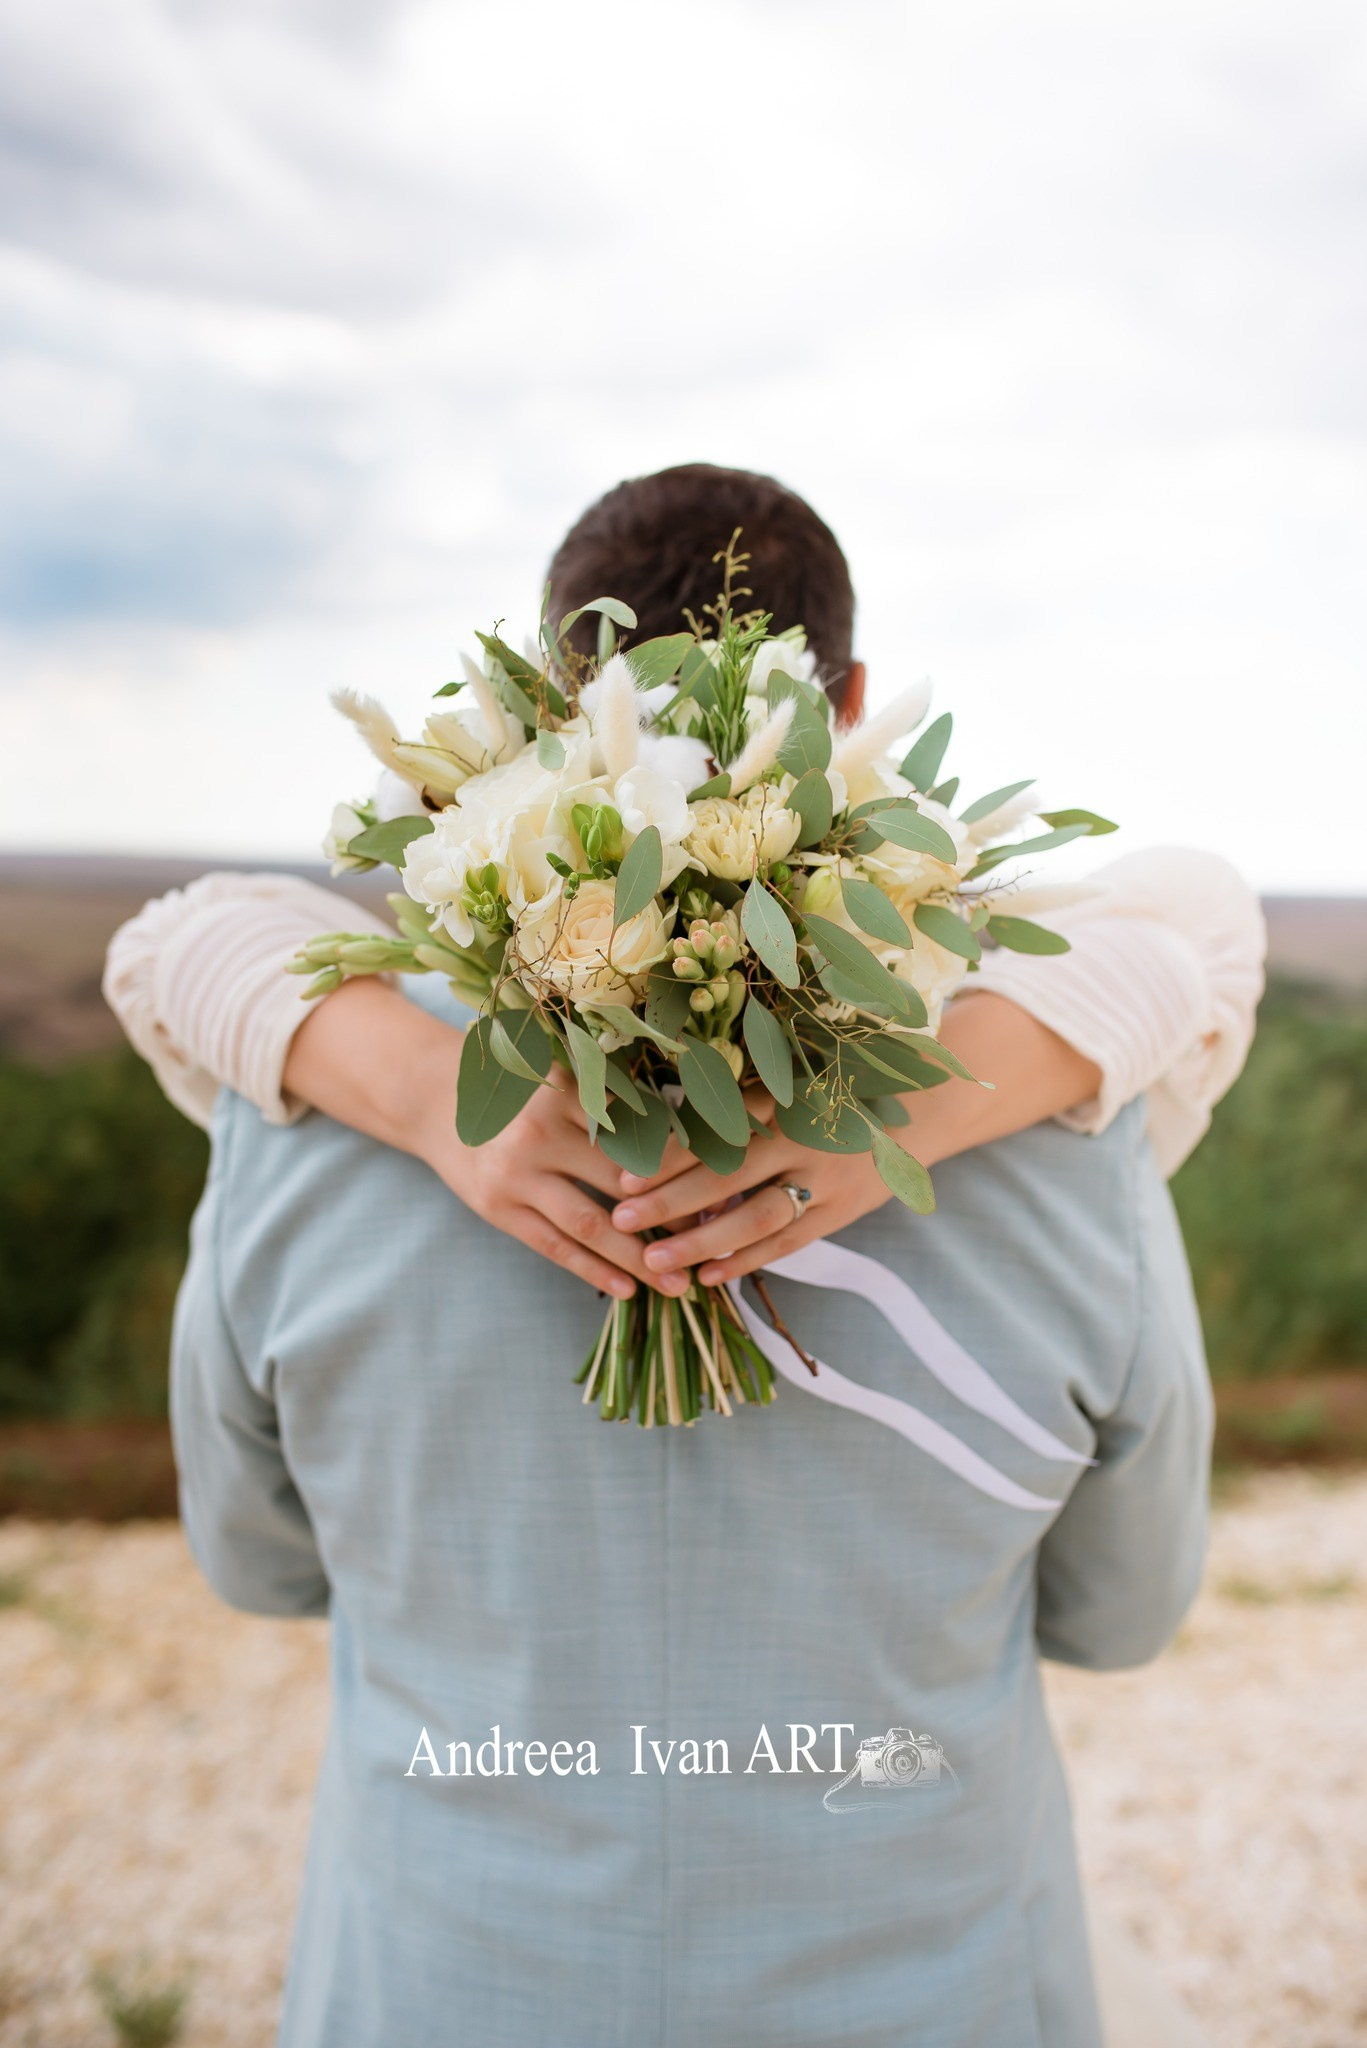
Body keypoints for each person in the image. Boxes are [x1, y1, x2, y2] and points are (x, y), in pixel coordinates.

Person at [109, 465, 1263, 2045]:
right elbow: (1123, 1616)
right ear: (851, 712)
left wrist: (441, 1104)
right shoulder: (1060, 1126)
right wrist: (907, 1114)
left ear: (545, 720)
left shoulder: (309, 1115)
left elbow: (257, 1566)